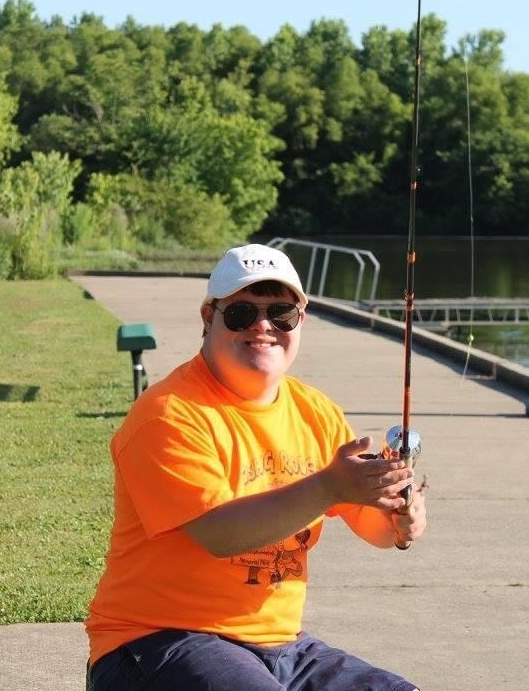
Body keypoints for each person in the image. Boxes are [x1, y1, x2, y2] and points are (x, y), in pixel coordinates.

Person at [85, 243, 427, 690]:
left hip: (284, 647)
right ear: (209, 318)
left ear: (300, 321)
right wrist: (329, 486)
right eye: (242, 313)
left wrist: (402, 518)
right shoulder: (168, 414)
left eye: (281, 313)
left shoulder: (317, 412)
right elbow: (219, 534)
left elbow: (375, 526)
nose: (264, 326)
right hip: (155, 640)